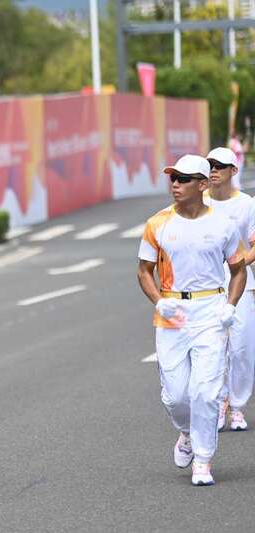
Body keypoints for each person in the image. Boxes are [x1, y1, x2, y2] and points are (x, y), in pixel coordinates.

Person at [137, 154, 246, 487]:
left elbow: (238, 270)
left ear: (202, 185)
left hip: (210, 311)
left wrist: (230, 305)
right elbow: (144, 270)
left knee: (206, 392)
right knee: (176, 396)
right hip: (172, 313)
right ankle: (186, 431)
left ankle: (203, 459)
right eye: (173, 178)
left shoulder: (223, 225)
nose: (175, 184)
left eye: (183, 179)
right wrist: (160, 302)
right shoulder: (157, 224)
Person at [205, 147, 255, 431]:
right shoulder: (199, 201)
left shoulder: (247, 204)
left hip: (241, 281)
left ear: (233, 170)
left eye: (219, 166)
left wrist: (236, 266)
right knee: (214, 346)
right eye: (210, 165)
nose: (213, 170)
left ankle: (237, 406)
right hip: (207, 284)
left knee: (241, 347)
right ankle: (220, 401)